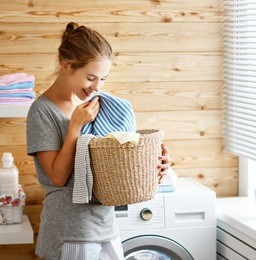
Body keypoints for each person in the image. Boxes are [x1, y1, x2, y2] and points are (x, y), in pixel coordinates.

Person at [26, 22, 172, 260]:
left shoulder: (98, 105)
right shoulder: (42, 111)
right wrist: (75, 125)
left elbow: (118, 156)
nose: (97, 87)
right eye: (91, 77)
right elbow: (57, 177)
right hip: (71, 230)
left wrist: (156, 160)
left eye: (103, 78)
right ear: (67, 66)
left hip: (106, 224)